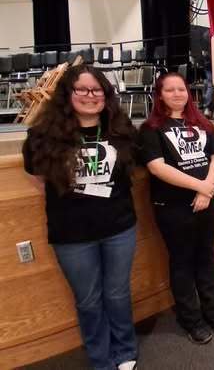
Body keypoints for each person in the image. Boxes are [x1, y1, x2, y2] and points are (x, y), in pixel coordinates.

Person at [22, 64, 139, 370]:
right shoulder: (43, 135)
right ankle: (101, 358)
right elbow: (38, 176)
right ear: (68, 94)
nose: (90, 95)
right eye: (82, 90)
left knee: (117, 293)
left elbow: (131, 170)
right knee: (88, 301)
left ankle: (125, 350)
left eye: (97, 89)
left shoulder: (121, 129)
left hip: (119, 227)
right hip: (71, 233)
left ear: (106, 94)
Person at [138, 72, 214, 344]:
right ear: (160, 95)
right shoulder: (151, 129)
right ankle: (191, 319)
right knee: (182, 264)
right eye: (170, 90)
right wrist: (200, 187)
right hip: (173, 208)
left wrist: (208, 188)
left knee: (206, 260)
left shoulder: (203, 124)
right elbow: (157, 167)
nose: (178, 94)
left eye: (182, 89)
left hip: (206, 203)